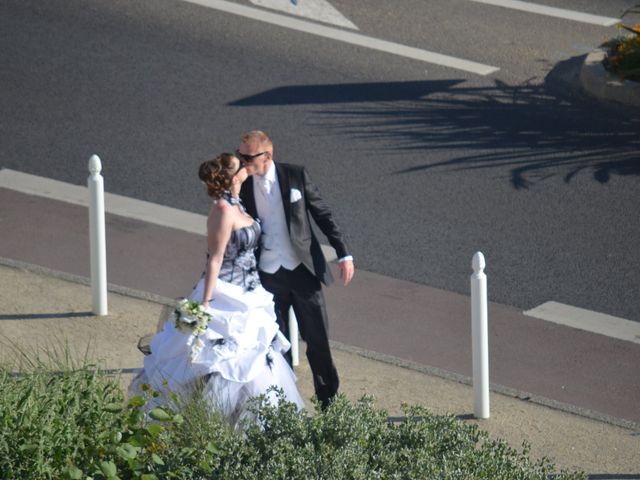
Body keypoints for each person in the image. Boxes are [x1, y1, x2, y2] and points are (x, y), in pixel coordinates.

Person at [130, 153, 304, 426]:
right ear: (233, 178)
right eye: (240, 167)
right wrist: (207, 303)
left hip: (251, 293)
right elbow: (215, 258)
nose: (246, 168)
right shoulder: (222, 210)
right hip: (226, 292)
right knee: (218, 362)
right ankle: (209, 421)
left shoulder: (238, 204)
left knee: (258, 357)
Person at [238, 130, 354, 409]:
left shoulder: (296, 176)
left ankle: (330, 408)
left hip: (303, 270)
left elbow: (323, 215)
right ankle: (287, 406)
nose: (243, 162)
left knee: (318, 342)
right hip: (267, 274)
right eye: (240, 155)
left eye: (248, 157)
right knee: (277, 346)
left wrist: (344, 253)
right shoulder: (242, 184)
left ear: (267, 156)